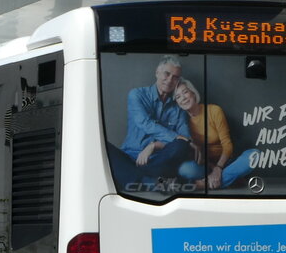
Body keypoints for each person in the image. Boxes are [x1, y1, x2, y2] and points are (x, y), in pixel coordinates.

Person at [107, 55, 192, 189]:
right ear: (157, 72)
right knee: (102, 146)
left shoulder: (178, 108)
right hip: (129, 156)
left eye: (175, 77)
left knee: (181, 145)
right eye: (167, 73)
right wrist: (175, 137)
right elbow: (145, 123)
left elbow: (185, 138)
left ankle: (133, 177)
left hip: (158, 161)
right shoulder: (137, 95)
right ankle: (151, 182)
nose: (170, 80)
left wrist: (153, 146)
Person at [173, 78, 259, 190]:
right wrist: (212, 168)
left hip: (227, 161)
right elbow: (192, 152)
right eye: (178, 96)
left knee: (255, 155)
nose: (183, 98)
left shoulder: (214, 110)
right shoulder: (182, 123)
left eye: (185, 92)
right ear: (177, 103)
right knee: (184, 169)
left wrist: (218, 168)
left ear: (193, 93)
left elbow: (227, 144)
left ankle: (205, 184)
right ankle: (230, 179)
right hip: (205, 167)